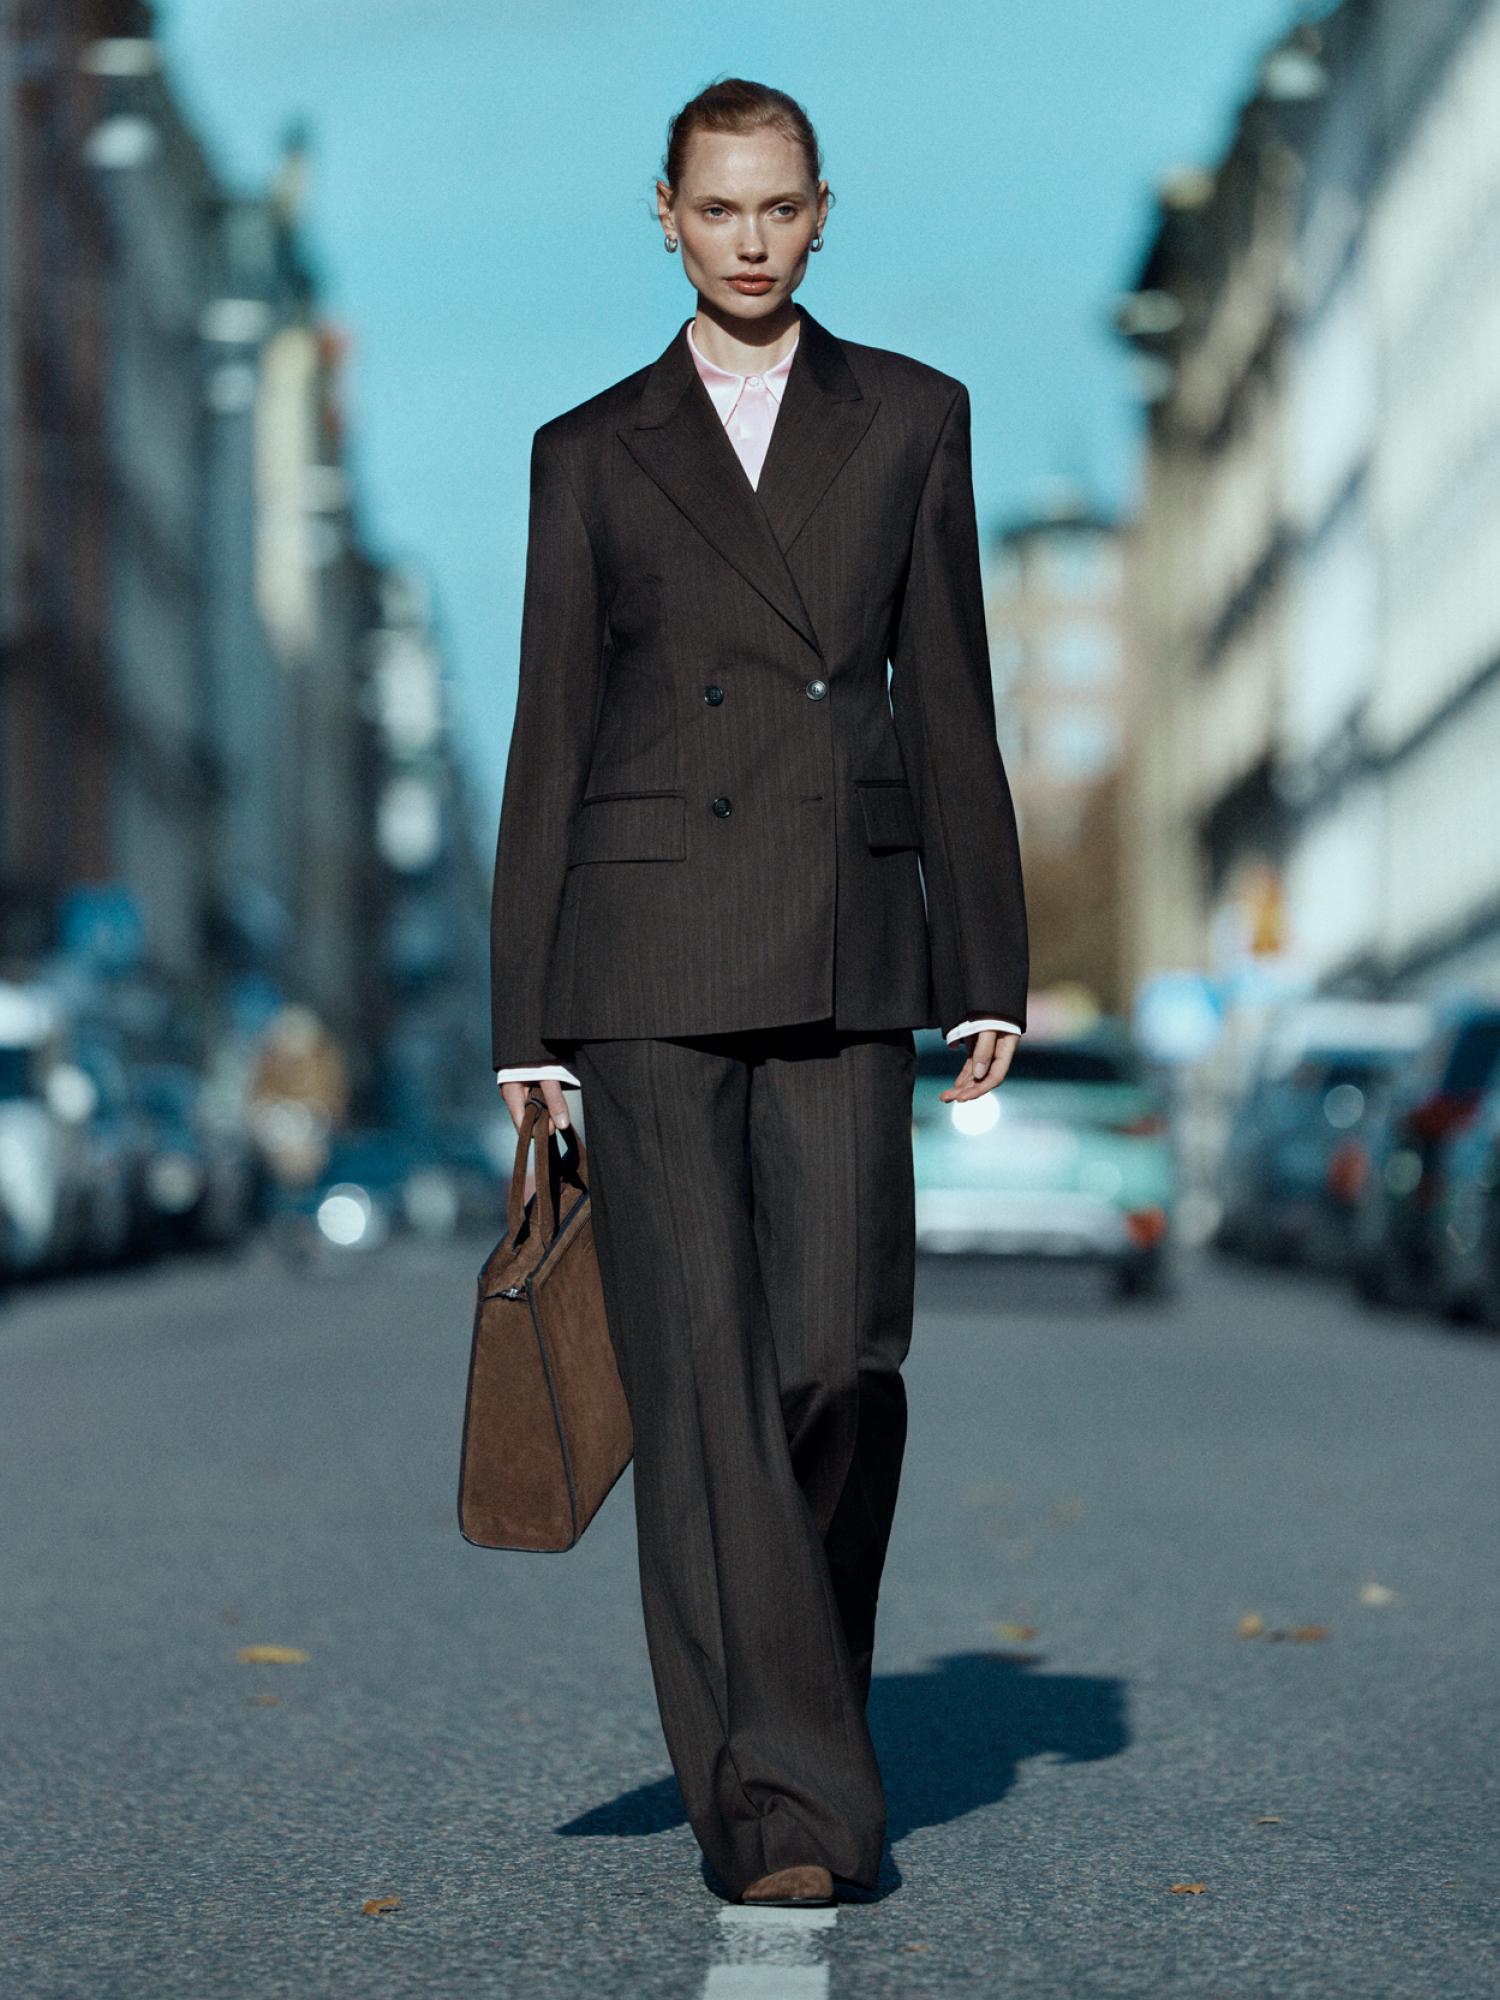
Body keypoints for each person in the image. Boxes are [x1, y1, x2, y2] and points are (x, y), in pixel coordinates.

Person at [491, 79, 1027, 1907]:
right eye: (715, 208)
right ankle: (786, 1804)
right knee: (704, 1382)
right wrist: (522, 1024)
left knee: (837, 1364)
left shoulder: (915, 421)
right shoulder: (592, 448)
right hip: (639, 958)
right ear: (664, 215)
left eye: (776, 207)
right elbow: (548, 732)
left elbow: (948, 694)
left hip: (844, 942)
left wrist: (991, 965)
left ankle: (787, 1711)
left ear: (820, 214)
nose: (746, 237)